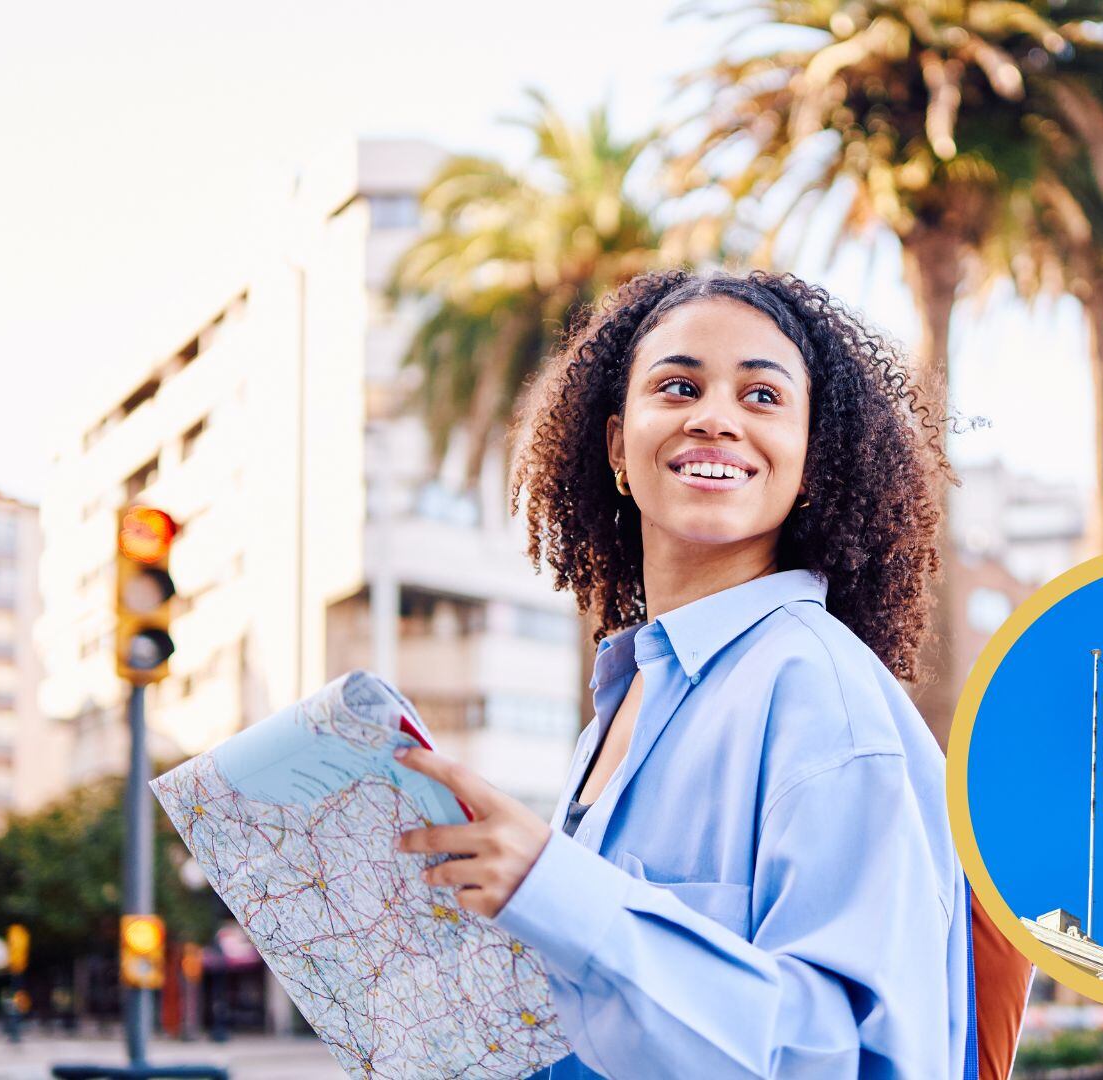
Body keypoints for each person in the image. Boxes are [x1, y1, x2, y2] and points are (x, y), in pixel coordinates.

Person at [395, 268, 969, 1077]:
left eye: (763, 397)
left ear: (811, 463)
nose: (714, 419)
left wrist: (558, 892)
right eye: (677, 385)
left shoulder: (818, 691)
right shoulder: (617, 710)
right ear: (617, 447)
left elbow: (834, 1051)